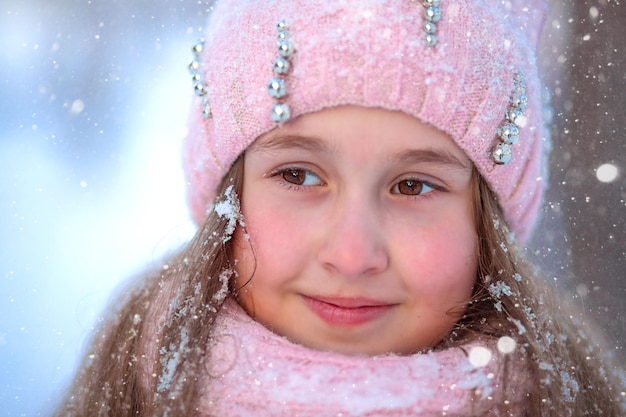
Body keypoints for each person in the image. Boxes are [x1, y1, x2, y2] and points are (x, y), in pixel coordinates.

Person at [54, 0, 625, 416]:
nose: (352, 256)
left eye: (413, 186)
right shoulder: (128, 389)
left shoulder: (567, 400)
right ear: (232, 196)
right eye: (298, 175)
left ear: (485, 226)